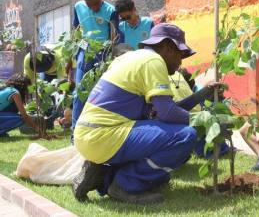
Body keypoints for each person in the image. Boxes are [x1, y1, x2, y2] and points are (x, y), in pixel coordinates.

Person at [72, 23, 222, 204]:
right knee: (184, 136)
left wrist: (201, 94)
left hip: (90, 135)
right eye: (180, 55)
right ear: (167, 48)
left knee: (161, 175)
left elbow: (164, 112)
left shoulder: (133, 58)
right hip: (104, 135)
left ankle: (101, 176)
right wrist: (206, 120)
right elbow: (167, 113)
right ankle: (123, 185)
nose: (181, 62)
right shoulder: (154, 61)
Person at [71, 0, 121, 131]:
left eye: (97, 4)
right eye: (90, 5)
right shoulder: (78, 6)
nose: (94, 8)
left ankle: (102, 128)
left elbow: (114, 36)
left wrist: (109, 55)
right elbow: (76, 28)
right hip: (84, 51)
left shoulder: (111, 11)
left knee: (103, 91)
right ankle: (75, 131)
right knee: (80, 91)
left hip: (103, 54)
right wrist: (77, 47)